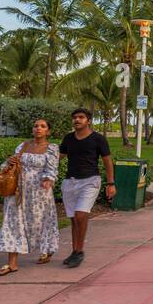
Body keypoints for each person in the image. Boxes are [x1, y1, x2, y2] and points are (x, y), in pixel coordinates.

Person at [0, 118, 60, 276]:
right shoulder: (23, 146)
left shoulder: (51, 148)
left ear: (48, 131)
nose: (38, 129)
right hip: (18, 191)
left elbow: (52, 169)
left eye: (42, 126)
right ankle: (12, 263)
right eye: (35, 126)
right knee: (12, 223)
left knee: (40, 223)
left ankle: (47, 249)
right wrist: (9, 161)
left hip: (39, 193)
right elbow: (9, 166)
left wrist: (48, 180)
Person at [58, 108, 114, 268]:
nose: (77, 120)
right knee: (74, 219)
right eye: (74, 117)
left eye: (81, 117)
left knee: (81, 215)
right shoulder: (68, 138)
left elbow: (107, 161)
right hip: (70, 182)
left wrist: (111, 183)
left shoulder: (98, 139)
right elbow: (59, 158)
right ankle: (74, 251)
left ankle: (80, 251)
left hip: (90, 181)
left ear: (88, 120)